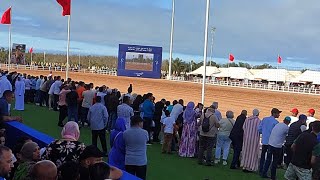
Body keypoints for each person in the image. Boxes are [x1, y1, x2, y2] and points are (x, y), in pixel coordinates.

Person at [123, 115, 149, 180]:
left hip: (129, 160)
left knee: (129, 178)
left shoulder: (125, 133)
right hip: (141, 160)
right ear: (138, 123)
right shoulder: (145, 132)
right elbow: (147, 140)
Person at [258, 108, 281, 177]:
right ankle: (265, 172)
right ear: (274, 113)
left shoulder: (265, 119)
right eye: (278, 113)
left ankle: (261, 170)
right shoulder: (276, 122)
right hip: (271, 142)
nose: (279, 114)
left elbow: (259, 129)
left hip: (264, 140)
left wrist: (264, 133)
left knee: (263, 156)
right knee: (269, 158)